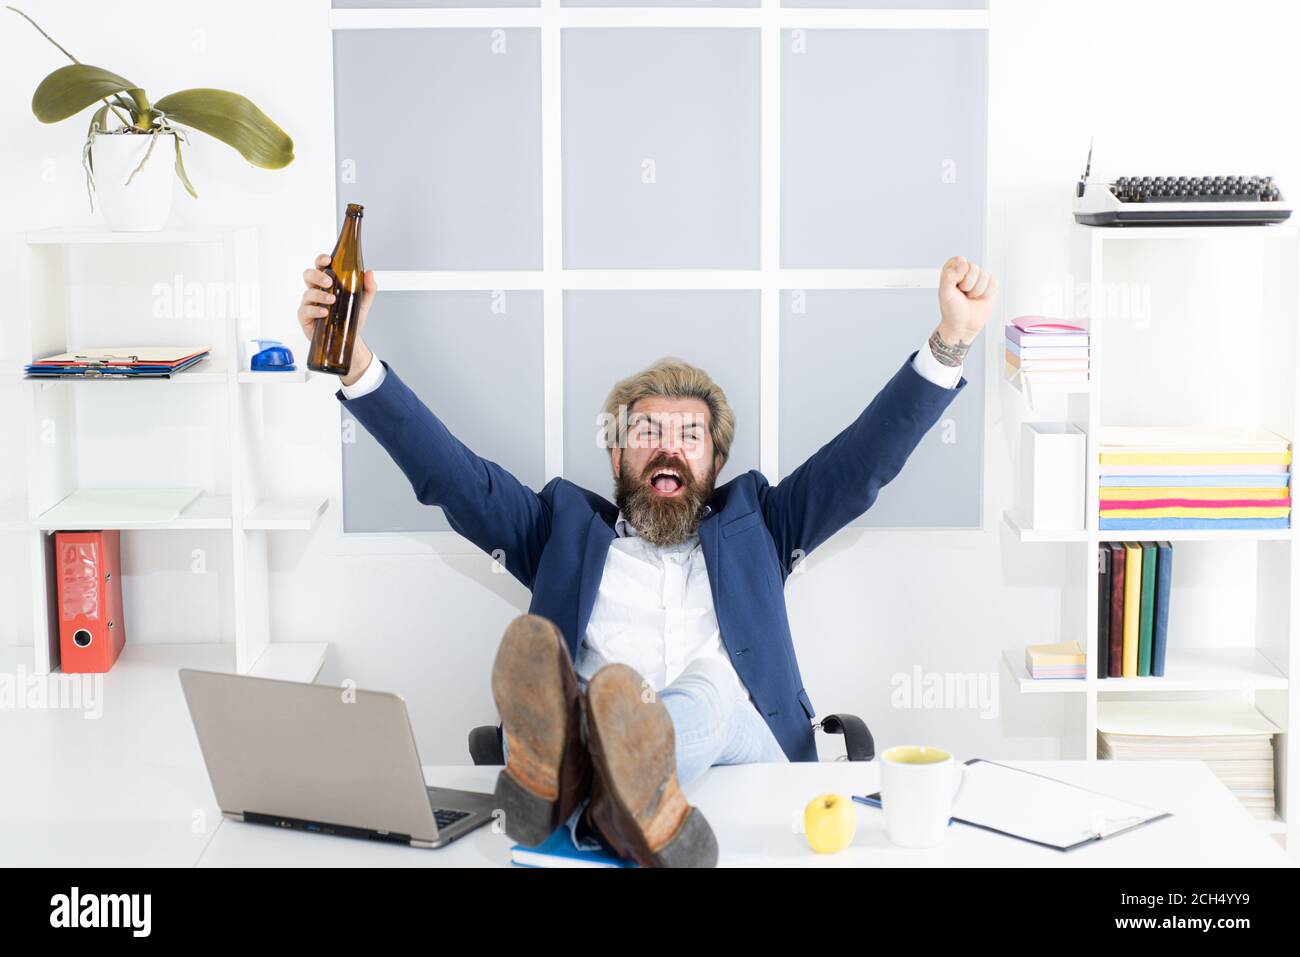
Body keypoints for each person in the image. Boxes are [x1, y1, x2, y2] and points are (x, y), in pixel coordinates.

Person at [297, 254, 996, 866]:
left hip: (743, 755)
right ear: (616, 455)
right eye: (648, 432)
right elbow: (452, 477)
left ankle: (580, 793)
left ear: (715, 463)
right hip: (604, 749)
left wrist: (951, 342)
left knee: (710, 689)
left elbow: (861, 464)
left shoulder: (763, 525)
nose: (668, 447)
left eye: (690, 435)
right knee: (580, 695)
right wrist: (355, 362)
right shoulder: (559, 531)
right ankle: (617, 801)